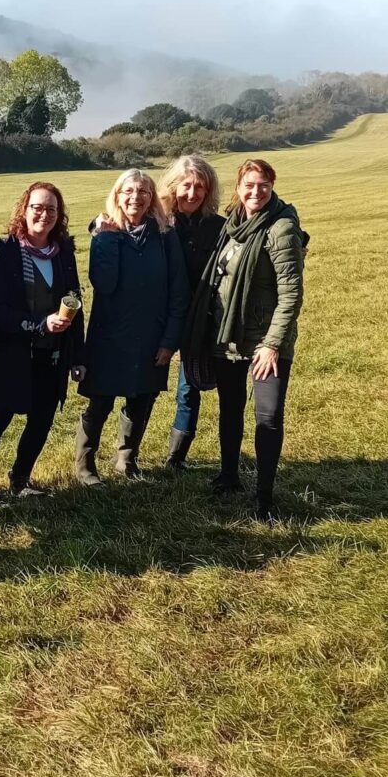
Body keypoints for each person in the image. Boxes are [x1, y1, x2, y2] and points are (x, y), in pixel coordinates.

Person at [182, 158, 305, 520]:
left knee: (267, 418)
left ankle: (264, 495)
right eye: (249, 185)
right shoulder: (232, 226)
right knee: (230, 410)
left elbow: (291, 295)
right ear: (238, 188)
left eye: (263, 186)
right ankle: (228, 475)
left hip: (266, 343)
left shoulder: (280, 228)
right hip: (228, 338)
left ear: (271, 187)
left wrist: (272, 345)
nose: (256, 192)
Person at [76, 169, 190, 485]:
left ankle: (127, 459)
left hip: (151, 335)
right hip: (109, 337)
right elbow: (104, 283)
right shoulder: (105, 235)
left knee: (142, 398)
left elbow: (179, 291)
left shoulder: (165, 237)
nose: (135, 198)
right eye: (128, 191)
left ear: (152, 197)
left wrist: (169, 340)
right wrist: (108, 237)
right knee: (100, 401)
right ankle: (85, 465)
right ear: (117, 195)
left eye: (142, 191)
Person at [0, 181, 85, 497]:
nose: (44, 215)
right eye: (37, 207)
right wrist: (39, 324)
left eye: (51, 209)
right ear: (24, 210)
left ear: (58, 215)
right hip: (12, 353)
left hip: (53, 355)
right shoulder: (4, 255)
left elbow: (74, 302)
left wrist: (77, 356)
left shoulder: (64, 255)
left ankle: (20, 480)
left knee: (42, 419)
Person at [157, 154, 225, 469]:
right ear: (174, 186)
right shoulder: (158, 221)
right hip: (160, 315)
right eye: (187, 185)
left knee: (190, 386)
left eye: (200, 187)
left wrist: (295, 240)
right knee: (144, 385)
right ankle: (126, 458)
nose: (192, 193)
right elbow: (119, 223)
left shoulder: (218, 226)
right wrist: (97, 225)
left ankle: (175, 458)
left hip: (200, 319)